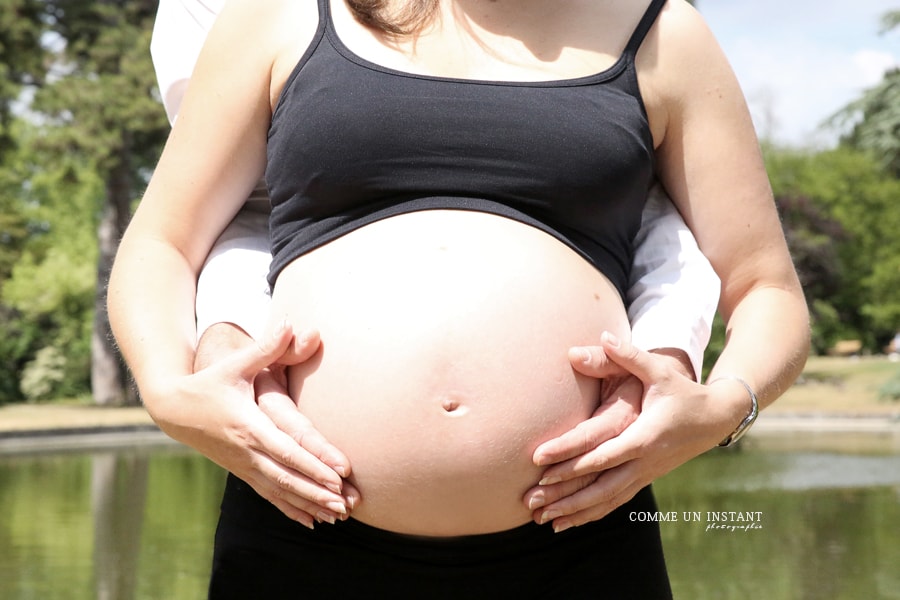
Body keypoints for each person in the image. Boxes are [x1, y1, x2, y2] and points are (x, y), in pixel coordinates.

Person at [110, 0, 809, 597]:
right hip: (299, 520)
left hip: (579, 535)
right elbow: (163, 243)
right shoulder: (279, 17)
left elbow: (765, 288)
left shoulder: (663, 34)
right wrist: (168, 391)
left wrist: (724, 407)